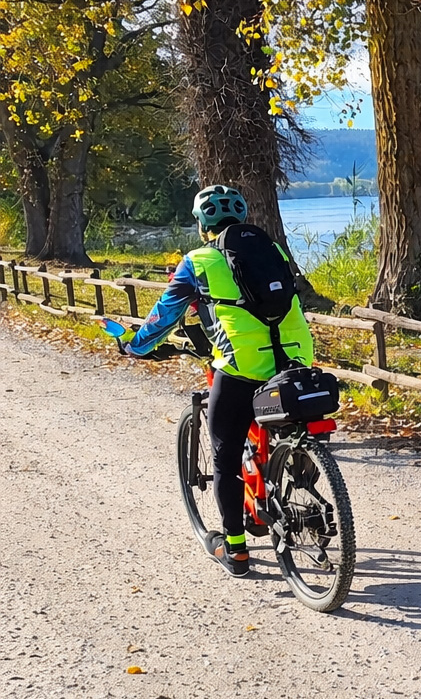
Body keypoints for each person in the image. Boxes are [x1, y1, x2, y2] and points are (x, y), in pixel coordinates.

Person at [124, 185, 313, 577]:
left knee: (225, 456)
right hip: (296, 357)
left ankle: (237, 553)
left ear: (202, 223)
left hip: (243, 366)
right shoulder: (273, 250)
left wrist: (136, 347)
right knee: (289, 422)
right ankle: (300, 477)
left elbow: (164, 316)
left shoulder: (198, 261)